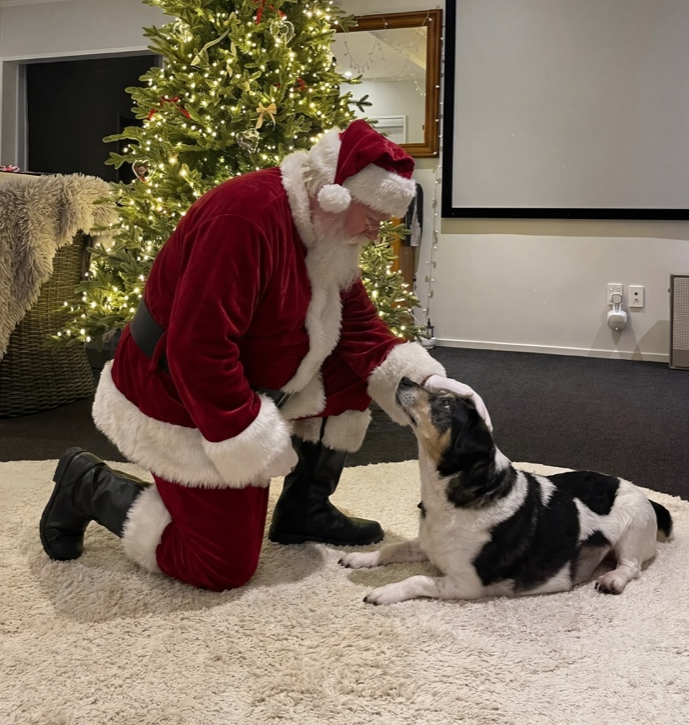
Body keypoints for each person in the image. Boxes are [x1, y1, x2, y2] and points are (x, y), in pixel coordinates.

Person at [40, 119, 476, 591]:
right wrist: (248, 439)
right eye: (373, 217)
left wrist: (425, 383)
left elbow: (358, 327)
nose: (376, 233)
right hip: (179, 391)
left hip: (253, 378)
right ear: (336, 194)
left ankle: (304, 509)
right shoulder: (245, 217)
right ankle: (85, 484)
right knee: (221, 565)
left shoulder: (326, 233)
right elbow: (198, 349)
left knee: (357, 371)